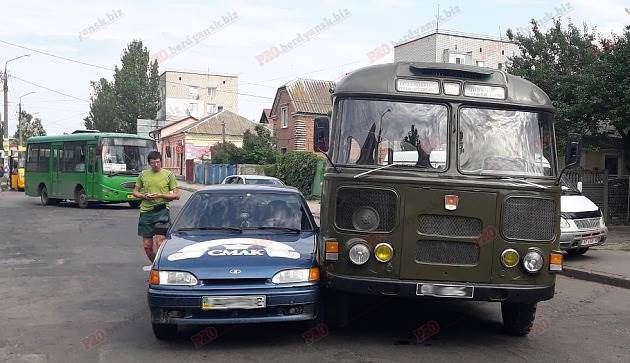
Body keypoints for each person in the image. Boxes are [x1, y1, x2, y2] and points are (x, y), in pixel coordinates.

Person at [133, 151, 180, 262]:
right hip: (146, 212)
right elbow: (135, 192)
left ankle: (161, 267)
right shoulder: (143, 175)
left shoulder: (169, 175)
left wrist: (161, 195)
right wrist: (144, 196)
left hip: (161, 210)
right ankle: (156, 265)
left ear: (161, 161)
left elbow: (177, 195)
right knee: (147, 246)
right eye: (153, 163)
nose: (156, 165)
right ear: (149, 163)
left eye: (158, 162)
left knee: (160, 243)